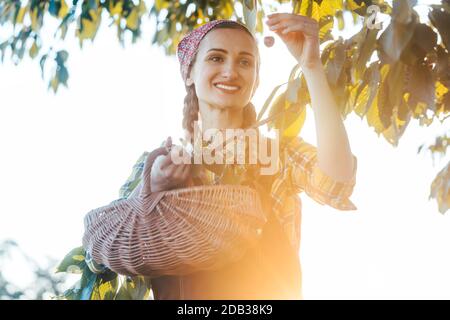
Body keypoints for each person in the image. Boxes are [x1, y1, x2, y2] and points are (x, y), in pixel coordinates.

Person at [86, 14, 358, 300]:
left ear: (255, 81)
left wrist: (311, 67)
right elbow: (100, 256)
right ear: (189, 73)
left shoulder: (279, 155)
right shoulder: (157, 164)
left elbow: (336, 183)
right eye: (216, 58)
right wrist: (150, 188)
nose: (230, 71)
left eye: (245, 62)